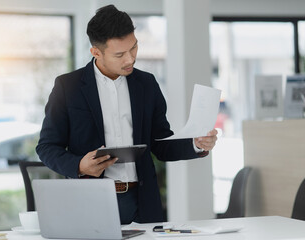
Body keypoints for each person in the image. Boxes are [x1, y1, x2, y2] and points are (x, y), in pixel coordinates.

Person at [36, 4, 218, 224]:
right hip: (90, 202)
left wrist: (196, 144)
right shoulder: (68, 86)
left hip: (141, 202)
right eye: (120, 54)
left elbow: (159, 144)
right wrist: (78, 166)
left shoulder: (147, 84)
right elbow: (46, 147)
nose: (130, 59)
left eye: (134, 48)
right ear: (96, 52)